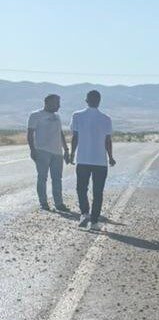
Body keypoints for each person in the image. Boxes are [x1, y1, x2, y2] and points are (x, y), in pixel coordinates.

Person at [69, 90, 116, 229]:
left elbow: (75, 137)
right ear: (99, 101)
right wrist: (110, 157)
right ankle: (94, 221)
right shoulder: (106, 118)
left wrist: (72, 154)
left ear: (86, 100)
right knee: (98, 192)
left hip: (83, 160)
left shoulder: (77, 116)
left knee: (81, 188)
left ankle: (84, 213)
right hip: (100, 162)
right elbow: (108, 140)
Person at [27, 93, 72, 211]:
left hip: (57, 153)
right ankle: (43, 203)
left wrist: (66, 150)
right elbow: (30, 133)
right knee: (42, 178)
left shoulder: (57, 117)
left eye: (59, 103)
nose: (59, 106)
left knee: (57, 179)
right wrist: (32, 150)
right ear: (48, 102)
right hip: (42, 151)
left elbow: (60, 133)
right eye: (57, 103)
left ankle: (59, 204)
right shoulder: (36, 115)